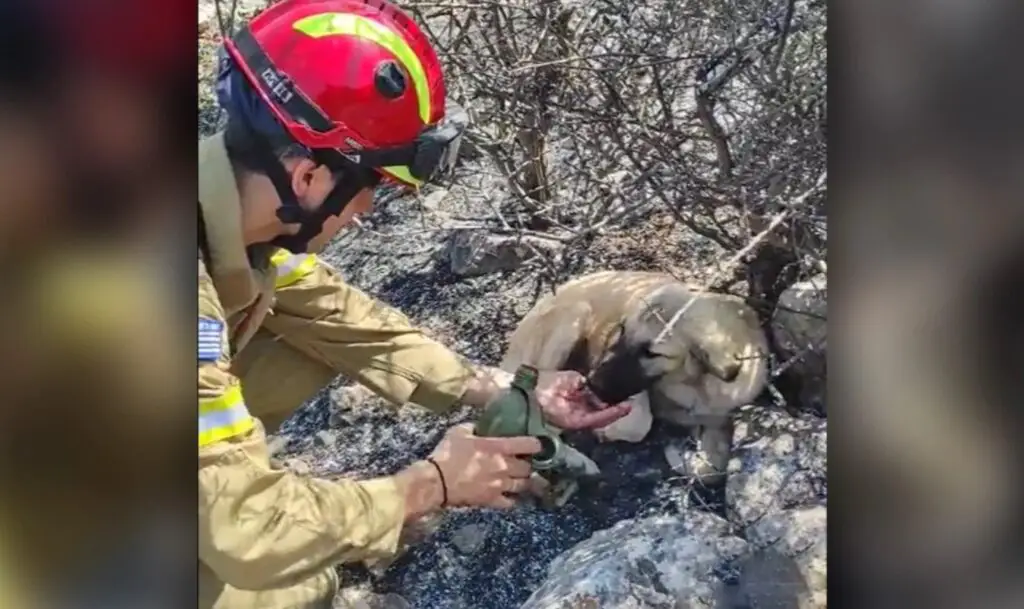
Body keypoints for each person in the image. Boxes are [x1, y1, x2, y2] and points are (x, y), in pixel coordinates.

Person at [197, 1, 632, 607]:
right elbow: (245, 531)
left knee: (306, 344)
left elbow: (355, 326)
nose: (366, 211)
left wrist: (507, 389)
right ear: (309, 180)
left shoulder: (230, 224)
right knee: (290, 589)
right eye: (368, 188)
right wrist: (429, 486)